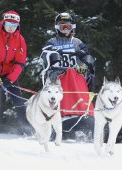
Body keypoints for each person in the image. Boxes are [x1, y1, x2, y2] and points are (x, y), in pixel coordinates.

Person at [40, 12, 95, 141]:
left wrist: (85, 58)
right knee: (70, 73)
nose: (65, 30)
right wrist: (54, 56)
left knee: (81, 75)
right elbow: (44, 56)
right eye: (62, 26)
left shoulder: (76, 41)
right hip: (57, 76)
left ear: (72, 28)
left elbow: (85, 54)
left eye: (68, 27)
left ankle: (83, 111)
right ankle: (63, 112)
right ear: (57, 27)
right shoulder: (52, 41)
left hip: (75, 75)